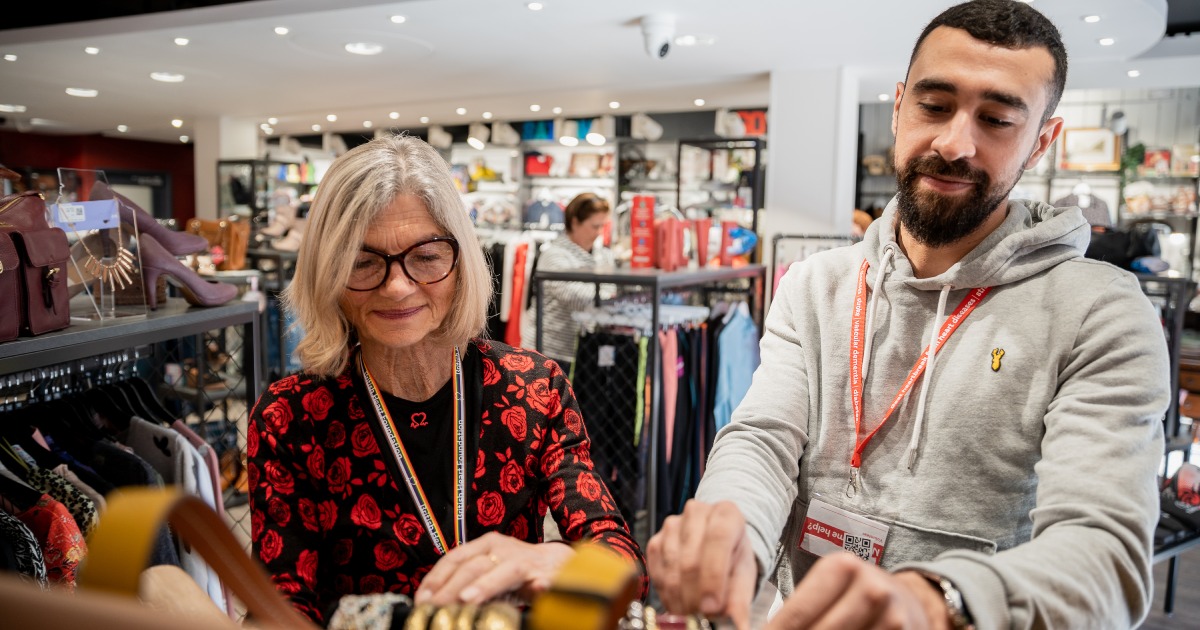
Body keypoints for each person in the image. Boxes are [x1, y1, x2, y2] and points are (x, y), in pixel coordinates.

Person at [646, 2, 1170, 629]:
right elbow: (764, 437)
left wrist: (939, 600)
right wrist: (731, 523)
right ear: (898, 108)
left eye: (998, 119)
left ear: (1041, 142)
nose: (954, 143)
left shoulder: (1101, 314)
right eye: (934, 106)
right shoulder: (817, 285)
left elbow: (1104, 555)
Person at [247, 135, 645, 625]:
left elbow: (621, 559)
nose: (397, 286)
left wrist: (559, 561)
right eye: (362, 261)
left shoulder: (533, 388)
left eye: (427, 257)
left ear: (462, 262)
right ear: (328, 271)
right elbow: (281, 602)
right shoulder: (291, 416)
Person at [519, 192, 616, 374]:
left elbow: (607, 292)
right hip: (548, 352)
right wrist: (611, 298)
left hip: (583, 351)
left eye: (602, 226)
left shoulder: (603, 255)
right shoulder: (554, 256)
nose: (599, 232)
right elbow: (578, 298)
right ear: (575, 222)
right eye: (594, 226)